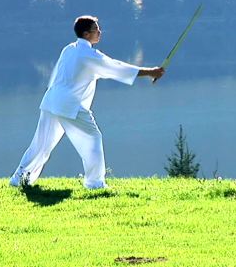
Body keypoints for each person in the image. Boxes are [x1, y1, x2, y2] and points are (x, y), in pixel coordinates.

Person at [9, 15, 165, 189]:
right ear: (86, 34)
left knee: (41, 145)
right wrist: (151, 72)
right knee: (93, 138)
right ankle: (95, 183)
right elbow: (116, 68)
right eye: (95, 29)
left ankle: (19, 179)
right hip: (69, 105)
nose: (99, 32)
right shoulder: (89, 55)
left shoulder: (69, 49)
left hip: (51, 100)